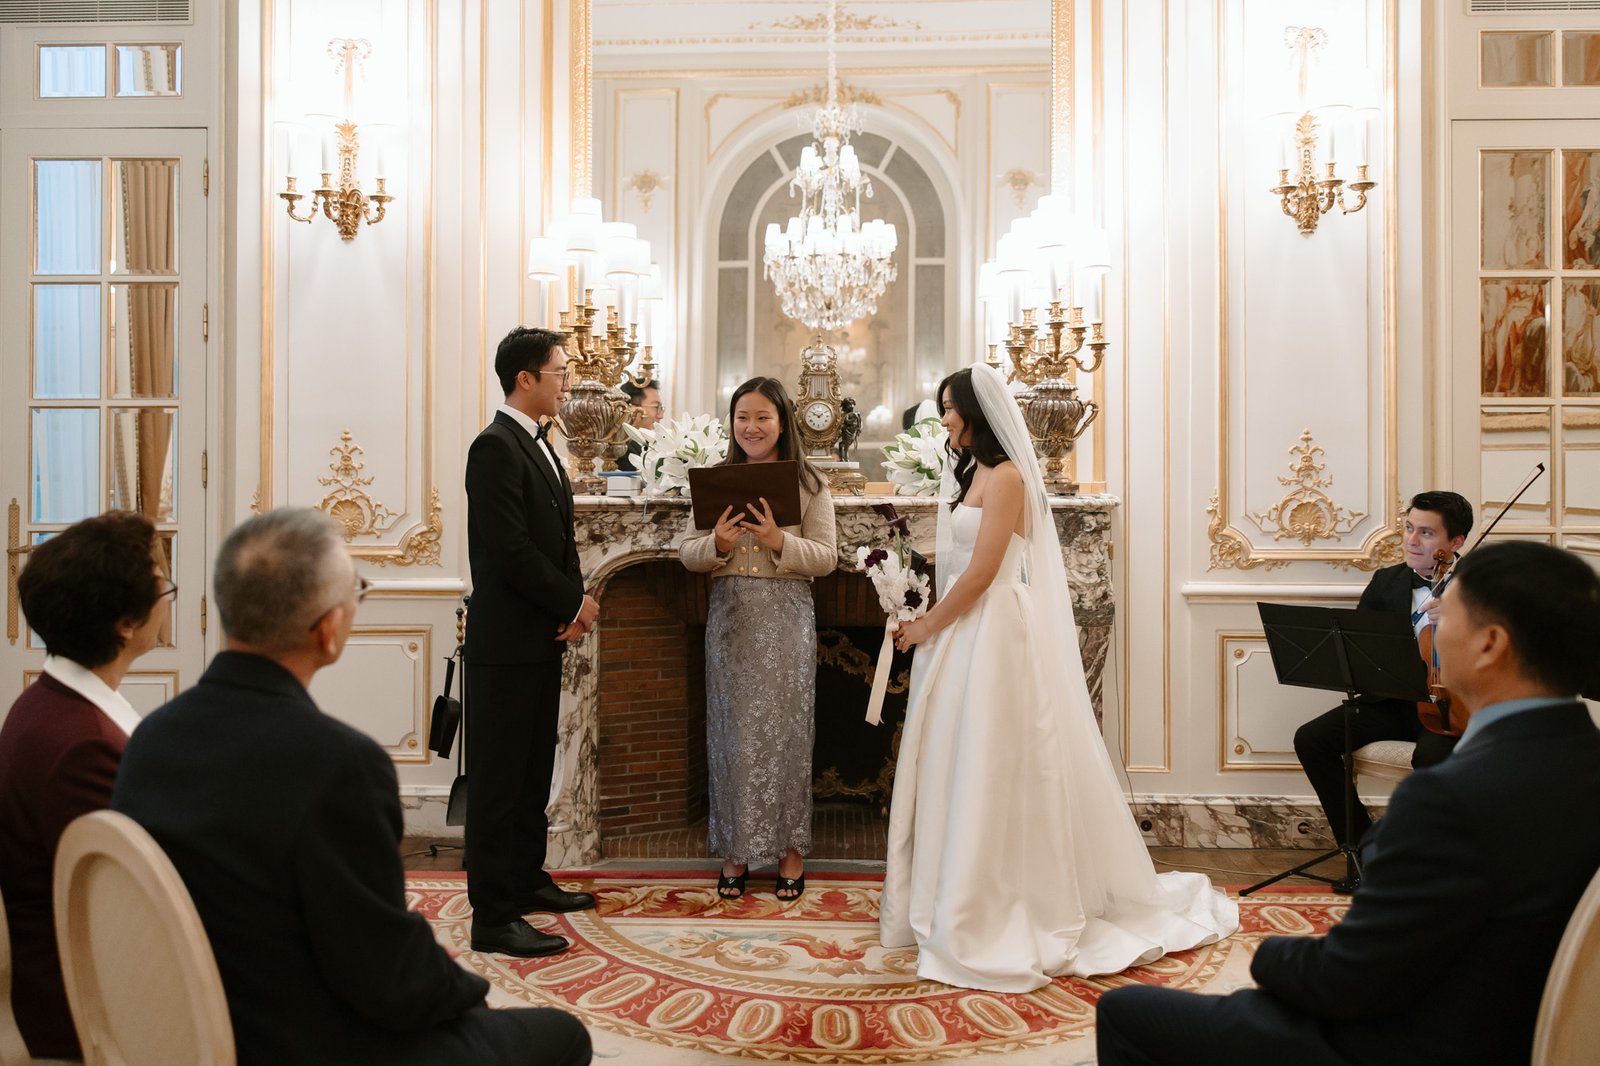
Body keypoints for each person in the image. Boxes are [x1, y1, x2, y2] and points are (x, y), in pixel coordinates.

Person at [111, 509, 591, 1066]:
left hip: (180, 1031)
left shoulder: (149, 740)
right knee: (563, 1036)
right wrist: (470, 997)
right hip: (309, 1042)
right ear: (329, 628)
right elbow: (393, 981)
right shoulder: (340, 764)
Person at [1096, 539, 1600, 1066]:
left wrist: (1268, 952)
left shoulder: (1449, 800)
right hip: (1513, 1026)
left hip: (1410, 1043)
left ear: (1490, 644)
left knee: (1127, 1011)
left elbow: (1345, 981)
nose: (1430, 632)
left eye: (1443, 616)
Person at [880, 364, 1237, 992]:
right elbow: (956, 559)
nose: (943, 417)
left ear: (976, 413)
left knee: (993, 760)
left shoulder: (1011, 476)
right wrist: (907, 598)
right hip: (962, 629)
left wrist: (927, 625)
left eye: (949, 407)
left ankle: (996, 900)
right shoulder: (973, 473)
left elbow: (984, 571)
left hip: (991, 632)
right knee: (954, 758)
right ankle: (947, 893)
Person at [0, 511, 171, 1059]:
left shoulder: (52, 703)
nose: (169, 599)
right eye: (165, 586)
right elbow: (126, 906)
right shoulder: (79, 743)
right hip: (87, 1005)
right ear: (125, 622)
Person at [464, 326, 600, 957]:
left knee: (530, 775)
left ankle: (525, 879)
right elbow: (511, 551)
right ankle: (493, 915)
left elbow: (559, 542)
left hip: (541, 637)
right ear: (526, 379)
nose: (566, 383)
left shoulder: (540, 445)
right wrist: (575, 601)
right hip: (505, 642)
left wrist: (573, 611)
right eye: (558, 373)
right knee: (499, 782)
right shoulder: (492, 448)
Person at [680, 377, 837, 901]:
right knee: (731, 736)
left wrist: (779, 541)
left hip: (786, 617)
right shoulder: (716, 480)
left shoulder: (811, 483)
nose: (751, 427)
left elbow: (828, 558)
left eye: (763, 417)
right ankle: (736, 851)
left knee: (789, 734)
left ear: (782, 422)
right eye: (742, 417)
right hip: (731, 620)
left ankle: (792, 852)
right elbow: (685, 552)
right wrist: (714, 545)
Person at [1293, 490, 1472, 861]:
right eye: (1409, 528)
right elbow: (1363, 651)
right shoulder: (1386, 582)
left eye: (1426, 533)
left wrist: (1462, 621)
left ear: (1456, 542)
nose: (1411, 540)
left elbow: (1501, 654)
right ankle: (1362, 845)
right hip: (1392, 702)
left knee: (1433, 758)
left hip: (1451, 711)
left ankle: (1429, 858)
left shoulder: (1479, 587)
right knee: (1311, 739)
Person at [618, 378, 664, 472]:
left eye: (661, 408)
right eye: (656, 407)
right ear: (632, 408)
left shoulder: (652, 444)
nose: (661, 415)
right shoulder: (621, 450)